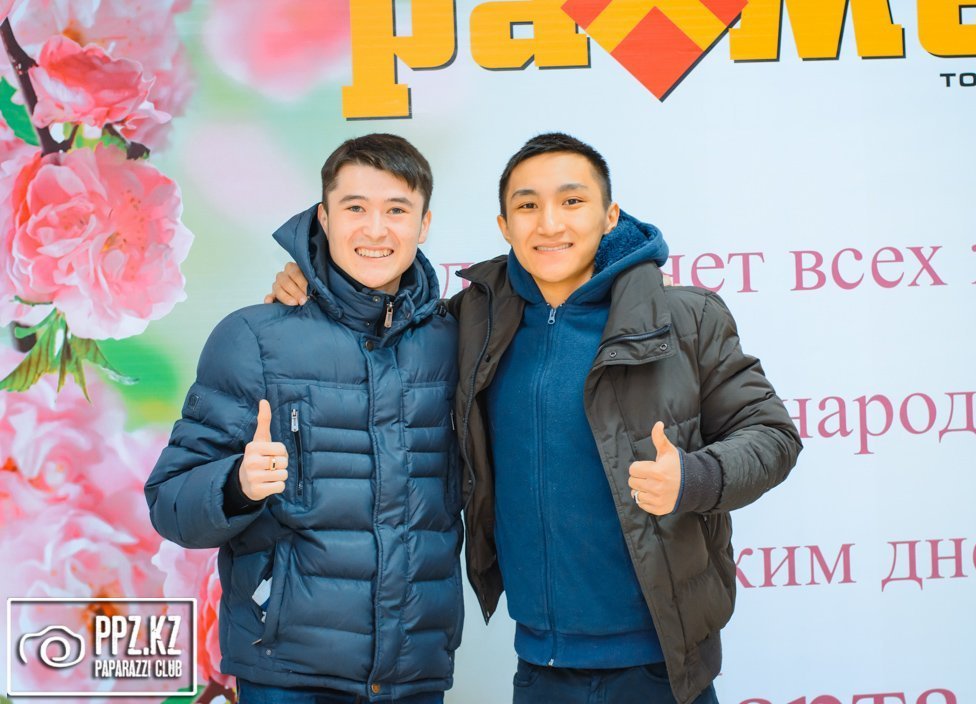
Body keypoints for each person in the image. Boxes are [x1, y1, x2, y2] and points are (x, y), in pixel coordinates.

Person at [270, 133, 802, 704]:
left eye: (572, 201)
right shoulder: (471, 319)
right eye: (527, 205)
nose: (549, 223)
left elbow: (772, 435)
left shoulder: (683, 316)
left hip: (661, 665)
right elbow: (380, 317)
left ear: (610, 215)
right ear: (504, 224)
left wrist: (694, 478)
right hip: (540, 665)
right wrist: (310, 280)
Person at [145, 134, 463, 704]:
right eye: (355, 207)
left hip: (414, 670)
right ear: (324, 217)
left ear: (424, 224)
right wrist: (237, 485)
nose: (375, 229)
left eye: (396, 210)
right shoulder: (253, 337)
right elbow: (170, 503)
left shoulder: (455, 339)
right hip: (288, 672)